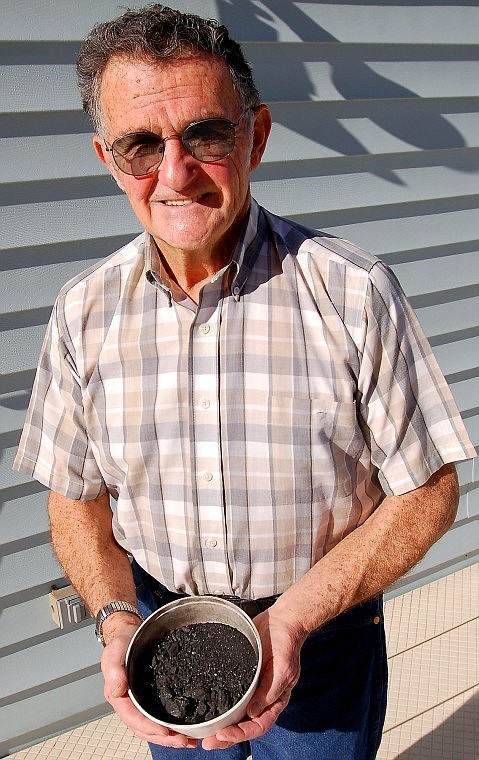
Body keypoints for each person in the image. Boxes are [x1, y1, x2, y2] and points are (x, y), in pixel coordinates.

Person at [14, 5, 476, 759]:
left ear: (254, 136)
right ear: (107, 158)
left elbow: (427, 488)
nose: (175, 173)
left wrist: (293, 616)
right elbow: (75, 495)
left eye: (205, 134)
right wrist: (114, 618)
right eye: (141, 145)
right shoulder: (82, 311)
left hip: (321, 633)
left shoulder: (352, 291)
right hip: (164, 636)